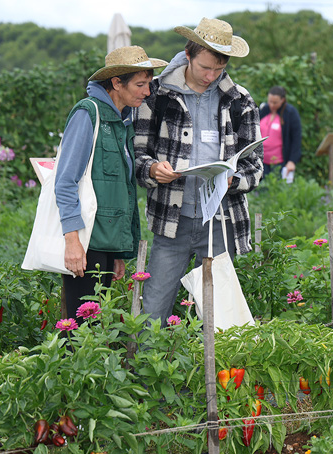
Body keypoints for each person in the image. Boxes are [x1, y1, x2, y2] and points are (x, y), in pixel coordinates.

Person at [133, 18, 263, 327]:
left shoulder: (239, 101)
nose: (210, 76)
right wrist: (153, 169)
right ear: (188, 55)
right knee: (154, 307)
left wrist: (234, 179)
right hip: (171, 221)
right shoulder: (156, 96)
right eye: (204, 67)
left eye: (218, 70)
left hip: (219, 221)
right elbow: (137, 156)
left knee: (222, 314)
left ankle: (221, 374)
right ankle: (150, 373)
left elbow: (255, 167)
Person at [55, 46, 168, 325]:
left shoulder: (123, 121)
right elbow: (65, 181)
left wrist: (117, 253)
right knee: (81, 330)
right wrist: (72, 242)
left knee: (98, 326)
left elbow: (119, 190)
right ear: (116, 83)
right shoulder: (88, 114)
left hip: (105, 243)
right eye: (140, 85)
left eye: (149, 84)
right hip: (85, 240)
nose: (147, 93)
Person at [259, 86, 302, 179]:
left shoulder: (290, 113)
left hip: (279, 163)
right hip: (261, 161)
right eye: (270, 101)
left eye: (275, 102)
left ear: (282, 100)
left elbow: (296, 138)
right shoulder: (263, 110)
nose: (272, 105)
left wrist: (292, 161)